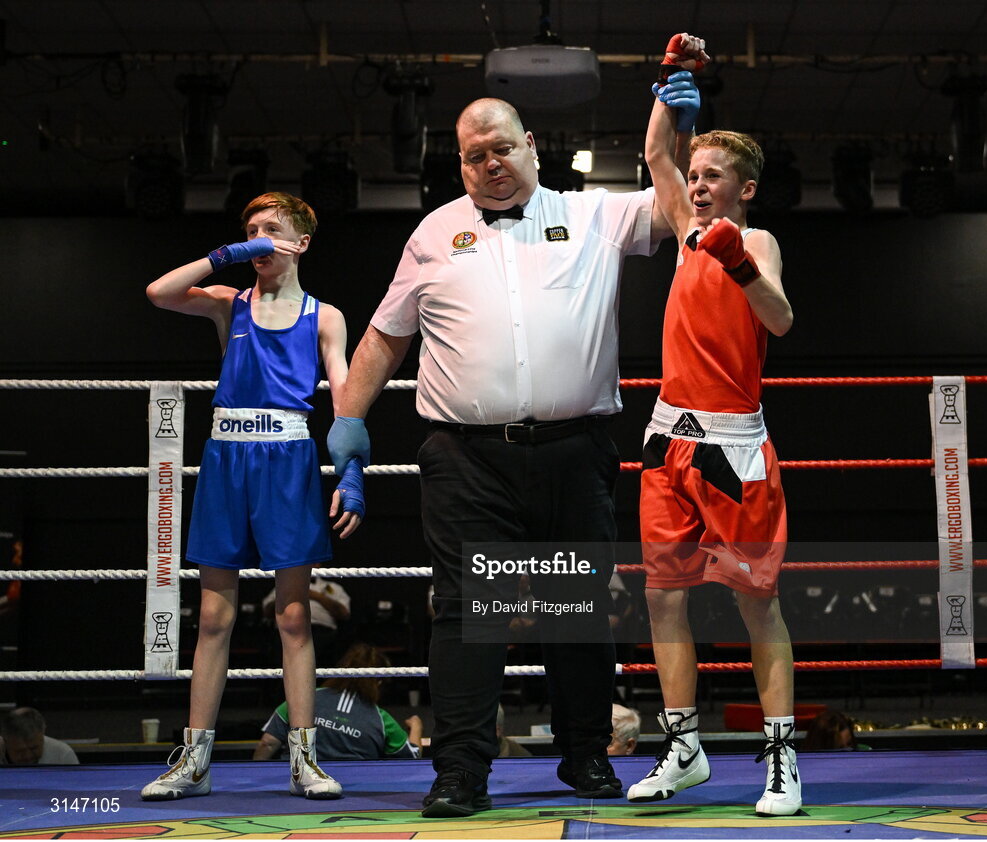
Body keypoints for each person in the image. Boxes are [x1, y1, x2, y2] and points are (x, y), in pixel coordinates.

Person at [329, 96, 675, 818]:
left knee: (575, 610)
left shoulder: (592, 215)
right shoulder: (433, 233)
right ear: (460, 163)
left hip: (575, 452)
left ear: (532, 145)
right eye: (474, 155)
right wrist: (346, 425)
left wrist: (674, 127)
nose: (491, 165)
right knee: (466, 614)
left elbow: (676, 208)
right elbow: (386, 337)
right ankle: (459, 771)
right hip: (468, 459)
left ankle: (586, 758)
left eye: (502, 149)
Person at [625, 35, 801, 817]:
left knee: (754, 604)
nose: (696, 187)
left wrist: (735, 261)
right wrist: (674, 79)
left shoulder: (755, 241)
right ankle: (684, 748)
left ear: (746, 189)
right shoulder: (682, 224)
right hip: (668, 442)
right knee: (663, 600)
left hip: (734, 449)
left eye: (712, 178)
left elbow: (782, 319)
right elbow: (656, 147)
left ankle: (782, 760)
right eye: (693, 178)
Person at [140, 191, 364, 802]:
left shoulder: (325, 316)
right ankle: (194, 760)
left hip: (288, 460)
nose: (260, 240)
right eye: (251, 231)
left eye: (272, 230)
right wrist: (225, 254)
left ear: (302, 242)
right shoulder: (226, 303)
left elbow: (344, 392)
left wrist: (351, 467)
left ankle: (304, 758)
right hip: (225, 459)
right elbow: (159, 292)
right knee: (214, 614)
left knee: (294, 614)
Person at [254, 642, 422, 760]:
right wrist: (416, 727)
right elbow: (413, 755)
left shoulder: (303, 697)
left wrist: (255, 781)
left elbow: (268, 743)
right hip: (354, 793)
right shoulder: (381, 719)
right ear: (378, 681)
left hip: (295, 783)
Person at [262, 563, 352, 667]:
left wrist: (317, 596)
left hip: (323, 634)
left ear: (319, 564)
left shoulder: (333, 588)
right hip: (288, 632)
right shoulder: (284, 586)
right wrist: (288, 595)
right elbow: (267, 612)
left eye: (315, 561)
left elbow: (345, 614)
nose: (311, 565)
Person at [0, 707, 78, 765]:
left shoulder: (62, 755)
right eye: (20, 751)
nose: (28, 756)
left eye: (34, 748)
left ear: (42, 735)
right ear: (6, 741)